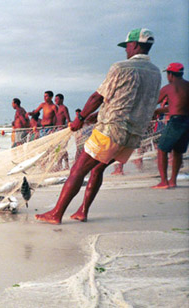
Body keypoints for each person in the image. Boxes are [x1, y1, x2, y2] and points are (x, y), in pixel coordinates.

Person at [35, 28, 161, 224]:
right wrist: (95, 116)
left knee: (78, 169)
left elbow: (97, 97)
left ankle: (56, 213)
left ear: (135, 45)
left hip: (111, 131)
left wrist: (81, 118)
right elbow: (131, 101)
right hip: (133, 136)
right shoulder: (155, 73)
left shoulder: (120, 67)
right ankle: (82, 211)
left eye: (127, 46)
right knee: (97, 169)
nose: (126, 50)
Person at [152, 63, 189, 189]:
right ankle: (173, 180)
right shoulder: (187, 85)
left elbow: (153, 102)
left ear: (170, 74)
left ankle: (164, 181)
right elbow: (177, 106)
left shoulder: (169, 87)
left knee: (162, 149)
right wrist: (159, 111)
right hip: (187, 121)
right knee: (178, 151)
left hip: (176, 121)